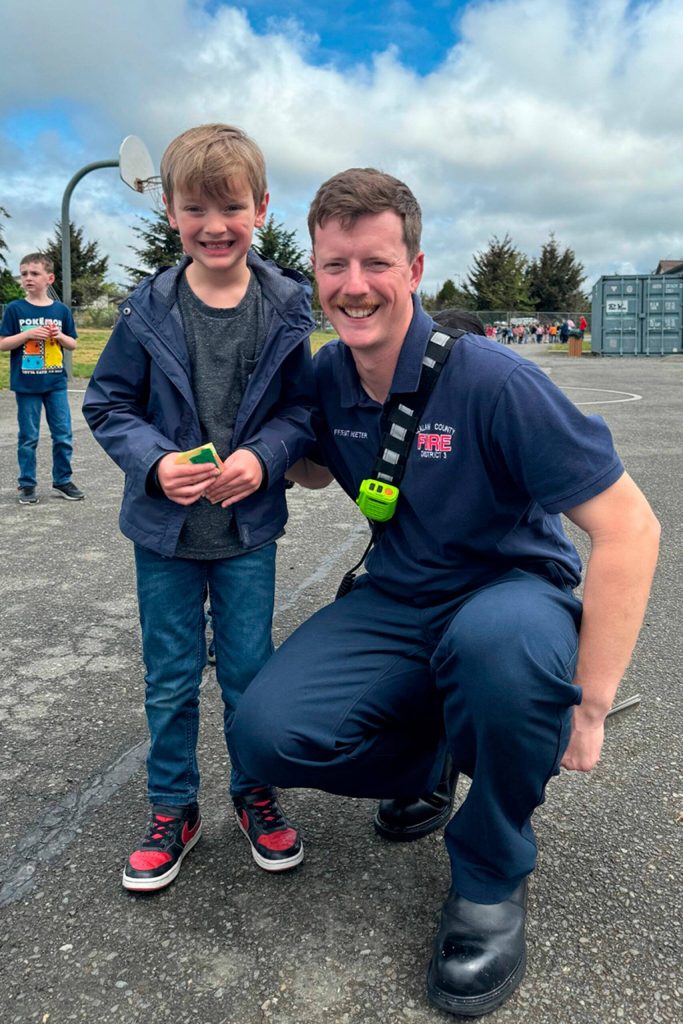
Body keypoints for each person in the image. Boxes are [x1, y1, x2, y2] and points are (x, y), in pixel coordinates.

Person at [230, 168, 660, 1016]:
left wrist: (592, 703)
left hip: (511, 594)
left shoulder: (494, 382)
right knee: (265, 734)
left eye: (376, 263)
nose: (354, 287)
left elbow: (630, 528)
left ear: (415, 268)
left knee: (498, 653)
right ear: (313, 273)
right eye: (333, 266)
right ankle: (437, 762)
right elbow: (318, 469)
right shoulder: (327, 375)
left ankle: (490, 879)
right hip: (398, 597)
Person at [82, 123, 316, 892]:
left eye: (231, 206)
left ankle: (253, 794)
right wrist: (154, 463)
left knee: (250, 674)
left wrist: (264, 456)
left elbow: (301, 412)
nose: (214, 225)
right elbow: (108, 403)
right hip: (166, 535)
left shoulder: (286, 307)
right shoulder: (145, 309)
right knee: (171, 676)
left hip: (247, 535)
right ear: (171, 214)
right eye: (195, 209)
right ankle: (172, 808)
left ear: (261, 207)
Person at [0, 253, 85, 504]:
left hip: (55, 383)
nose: (28, 278)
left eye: (34, 273)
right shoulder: (16, 309)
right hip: (26, 385)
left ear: (49, 278)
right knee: (28, 437)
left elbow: (72, 344)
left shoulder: (60, 310)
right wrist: (27, 335)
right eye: (24, 273)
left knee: (63, 434)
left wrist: (58, 335)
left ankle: (62, 480)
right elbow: (4, 344)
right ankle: (27, 483)